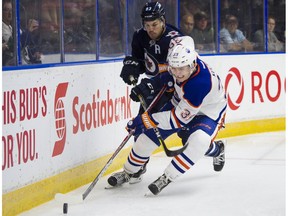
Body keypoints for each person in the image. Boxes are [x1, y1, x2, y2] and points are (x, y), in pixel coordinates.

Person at [107, 38, 227, 196]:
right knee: (145, 139)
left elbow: (177, 120)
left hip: (207, 113)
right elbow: (167, 77)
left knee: (199, 142)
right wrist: (150, 85)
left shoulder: (200, 82)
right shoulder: (181, 62)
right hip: (182, 105)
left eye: (181, 69)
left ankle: (213, 152)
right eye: (175, 68)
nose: (177, 73)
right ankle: (129, 172)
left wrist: (143, 120)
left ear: (192, 64)